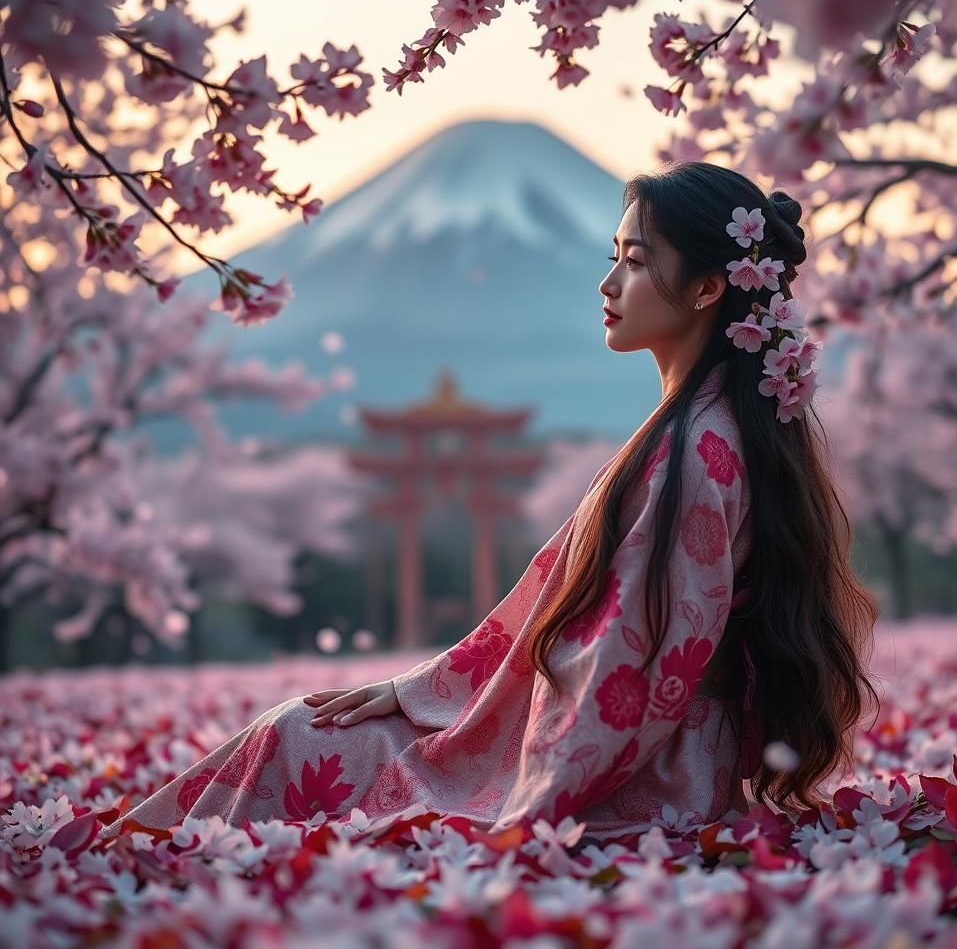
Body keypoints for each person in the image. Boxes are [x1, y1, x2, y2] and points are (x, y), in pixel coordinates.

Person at [98, 161, 880, 845]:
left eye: (635, 264)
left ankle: (125, 869)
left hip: (635, 783)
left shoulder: (693, 450)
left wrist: (531, 812)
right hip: (672, 761)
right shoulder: (713, 430)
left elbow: (628, 665)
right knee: (317, 726)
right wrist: (418, 693)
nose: (608, 286)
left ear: (709, 287)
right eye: (612, 259)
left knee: (294, 735)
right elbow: (586, 633)